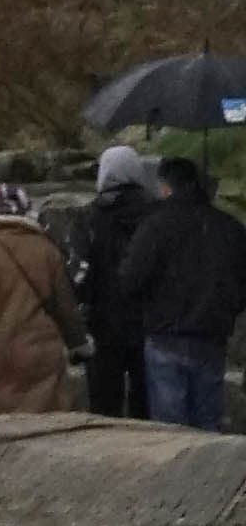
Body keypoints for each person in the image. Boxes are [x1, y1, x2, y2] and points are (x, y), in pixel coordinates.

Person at [117, 156, 246, 430]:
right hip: (212, 337)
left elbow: (130, 279)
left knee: (170, 429)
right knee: (209, 424)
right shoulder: (230, 227)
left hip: (165, 335)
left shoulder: (156, 225)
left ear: (166, 187)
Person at [0, 182, 84, 414]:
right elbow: (65, 305)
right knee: (42, 432)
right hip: (40, 359)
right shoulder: (46, 248)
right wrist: (78, 344)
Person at [79, 144, 160, 416]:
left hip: (104, 324)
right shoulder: (156, 214)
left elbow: (81, 271)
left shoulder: (93, 217)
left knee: (104, 403)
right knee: (146, 402)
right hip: (150, 321)